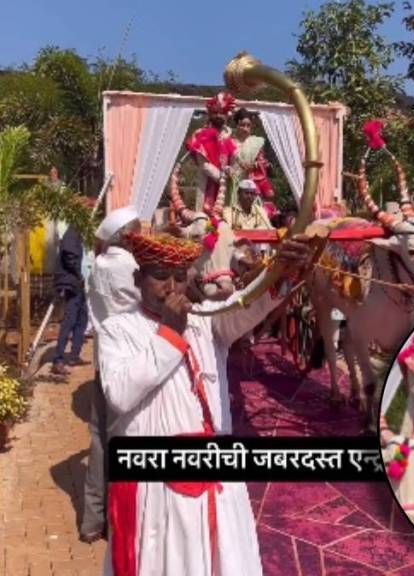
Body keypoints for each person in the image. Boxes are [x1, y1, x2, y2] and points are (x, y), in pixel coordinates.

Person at [98, 230, 313, 575]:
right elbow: (120, 395)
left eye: (180, 277)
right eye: (160, 276)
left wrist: (280, 270)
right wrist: (169, 332)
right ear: (138, 279)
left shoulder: (206, 320)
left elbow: (248, 303)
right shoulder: (117, 329)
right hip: (158, 491)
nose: (171, 287)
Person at [78, 206, 142, 544]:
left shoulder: (99, 265)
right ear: (129, 236)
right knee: (124, 443)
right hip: (128, 364)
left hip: (103, 360)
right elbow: (147, 301)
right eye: (139, 232)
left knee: (98, 441)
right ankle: (120, 523)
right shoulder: (128, 266)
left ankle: (92, 521)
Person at [186, 92, 238, 214]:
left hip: (225, 188)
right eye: (216, 112)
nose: (219, 116)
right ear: (210, 114)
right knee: (204, 217)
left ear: (227, 115)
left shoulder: (229, 139)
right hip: (207, 182)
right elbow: (203, 164)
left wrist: (231, 171)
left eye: (222, 113)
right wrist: (222, 178)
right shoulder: (200, 134)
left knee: (224, 217)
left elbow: (234, 160)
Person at [52, 226, 89, 376]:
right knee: (70, 321)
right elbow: (69, 256)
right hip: (71, 283)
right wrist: (79, 274)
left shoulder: (75, 233)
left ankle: (74, 355)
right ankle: (58, 360)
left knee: (82, 318)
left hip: (76, 284)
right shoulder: (72, 233)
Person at [230, 108, 275, 217]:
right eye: (242, 125)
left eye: (248, 125)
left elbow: (261, 162)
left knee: (255, 213)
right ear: (236, 125)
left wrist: (258, 165)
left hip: (252, 184)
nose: (246, 128)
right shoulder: (229, 142)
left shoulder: (256, 142)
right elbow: (224, 163)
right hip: (233, 184)